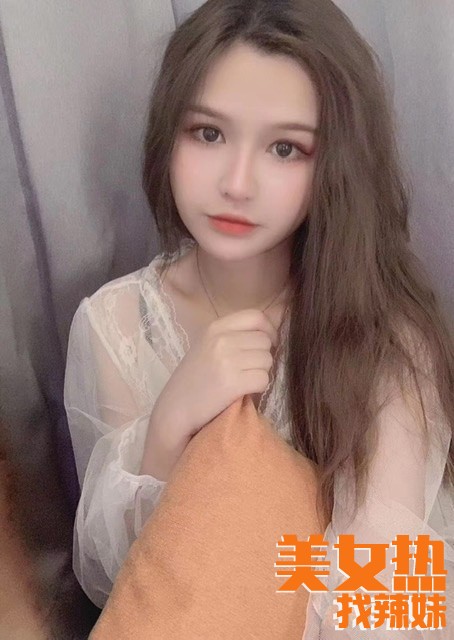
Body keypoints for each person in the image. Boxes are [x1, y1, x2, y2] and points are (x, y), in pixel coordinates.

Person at [63, 0, 454, 636]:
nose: (237, 183)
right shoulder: (117, 322)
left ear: (336, 165)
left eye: (285, 148)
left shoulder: (382, 336)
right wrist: (169, 425)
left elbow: (387, 603)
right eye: (208, 134)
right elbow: (123, 581)